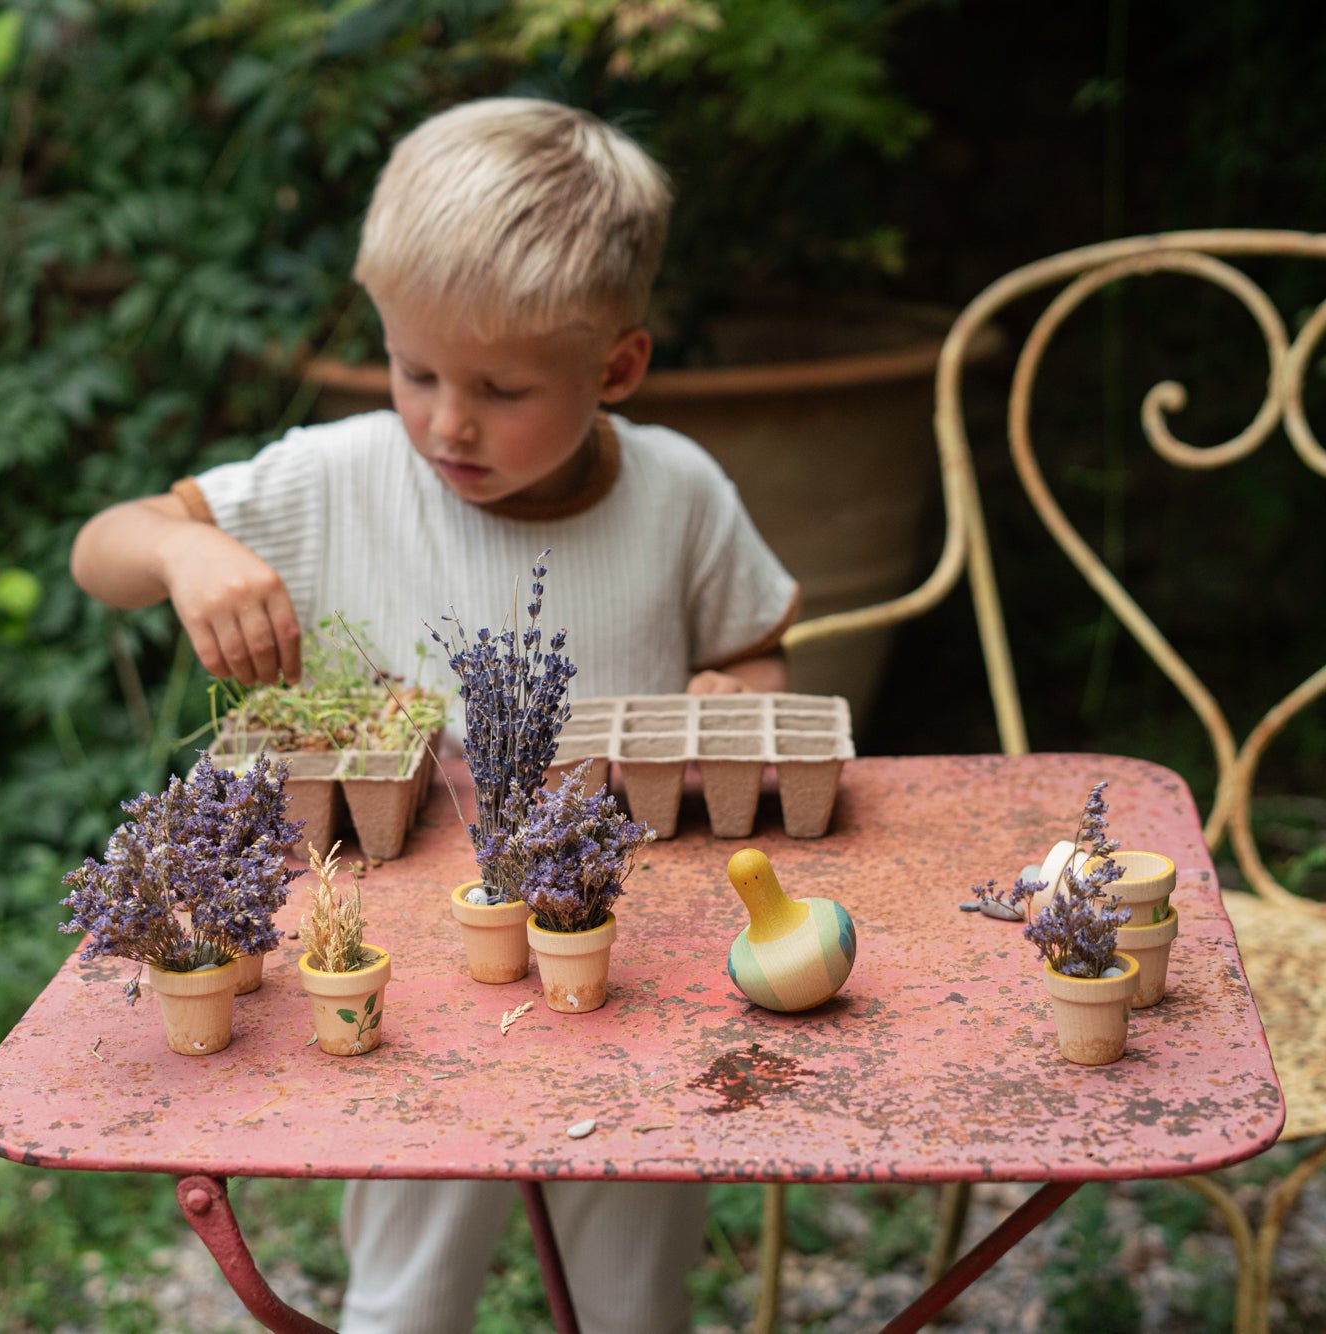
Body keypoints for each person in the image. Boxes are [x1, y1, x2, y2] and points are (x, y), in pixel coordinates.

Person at [71, 97, 798, 1334]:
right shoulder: (341, 475)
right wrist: (185, 553)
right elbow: (104, 547)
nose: (446, 421)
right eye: (414, 371)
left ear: (615, 367)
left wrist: (735, 697)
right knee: (406, 1286)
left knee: (632, 1285)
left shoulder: (677, 491)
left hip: (626, 960)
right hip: (403, 985)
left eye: (500, 387)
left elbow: (755, 656)